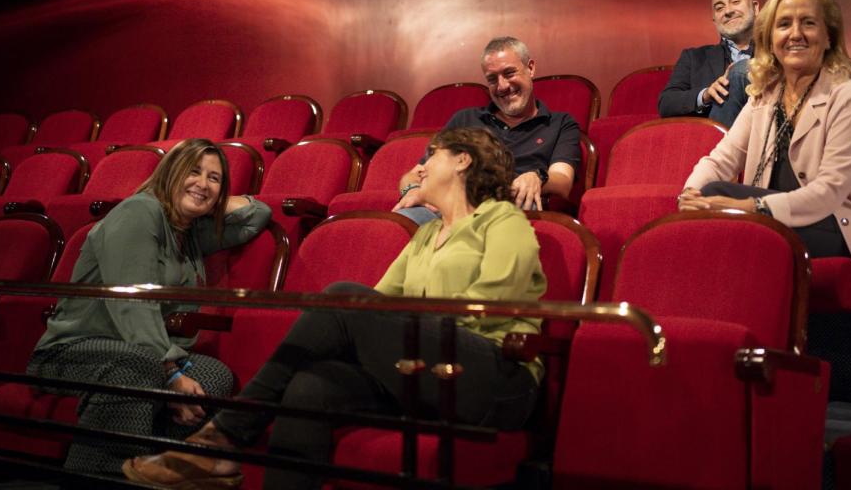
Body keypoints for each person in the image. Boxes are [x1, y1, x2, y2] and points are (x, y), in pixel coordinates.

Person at [123, 127, 547, 489]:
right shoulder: (424, 235)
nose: (421, 167)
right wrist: (380, 333)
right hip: (423, 370)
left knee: (346, 296)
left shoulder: (502, 220)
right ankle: (226, 455)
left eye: (431, 156)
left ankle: (224, 437)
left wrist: (385, 327)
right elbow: (375, 310)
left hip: (493, 378)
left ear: (462, 161)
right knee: (312, 384)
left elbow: (489, 308)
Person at [678, 0, 851, 402]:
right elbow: (720, 158)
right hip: (772, 222)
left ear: (828, 35)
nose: (795, 33)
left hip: (837, 226)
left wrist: (752, 206)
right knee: (715, 191)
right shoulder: (763, 95)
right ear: (769, 37)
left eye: (808, 23)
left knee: (735, 219)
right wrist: (689, 195)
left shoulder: (848, 95)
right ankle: (714, 357)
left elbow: (831, 191)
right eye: (784, 24)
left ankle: (752, 365)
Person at [26, 138, 273, 476]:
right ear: (170, 173)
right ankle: (104, 476)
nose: (203, 183)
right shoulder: (139, 212)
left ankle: (159, 472)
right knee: (138, 367)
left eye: (214, 178)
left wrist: (209, 199)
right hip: (73, 351)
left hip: (140, 351)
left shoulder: (188, 232)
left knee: (215, 377)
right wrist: (171, 375)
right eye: (193, 171)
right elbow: (133, 303)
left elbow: (257, 215)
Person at [394, 36, 581, 224]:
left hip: (510, 204)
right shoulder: (465, 119)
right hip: (448, 206)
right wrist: (412, 190)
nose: (502, 86)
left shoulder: (560, 123)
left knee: (523, 204)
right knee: (403, 220)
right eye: (492, 79)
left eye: (509, 73)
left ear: (530, 68)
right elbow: (415, 174)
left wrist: (538, 177)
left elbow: (563, 180)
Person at [658, 0, 759, 127]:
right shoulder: (694, 58)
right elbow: (666, 103)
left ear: (755, 8)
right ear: (714, 20)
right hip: (715, 140)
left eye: (735, 1)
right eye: (719, 8)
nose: (728, 11)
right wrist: (705, 95)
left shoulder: (779, 52)